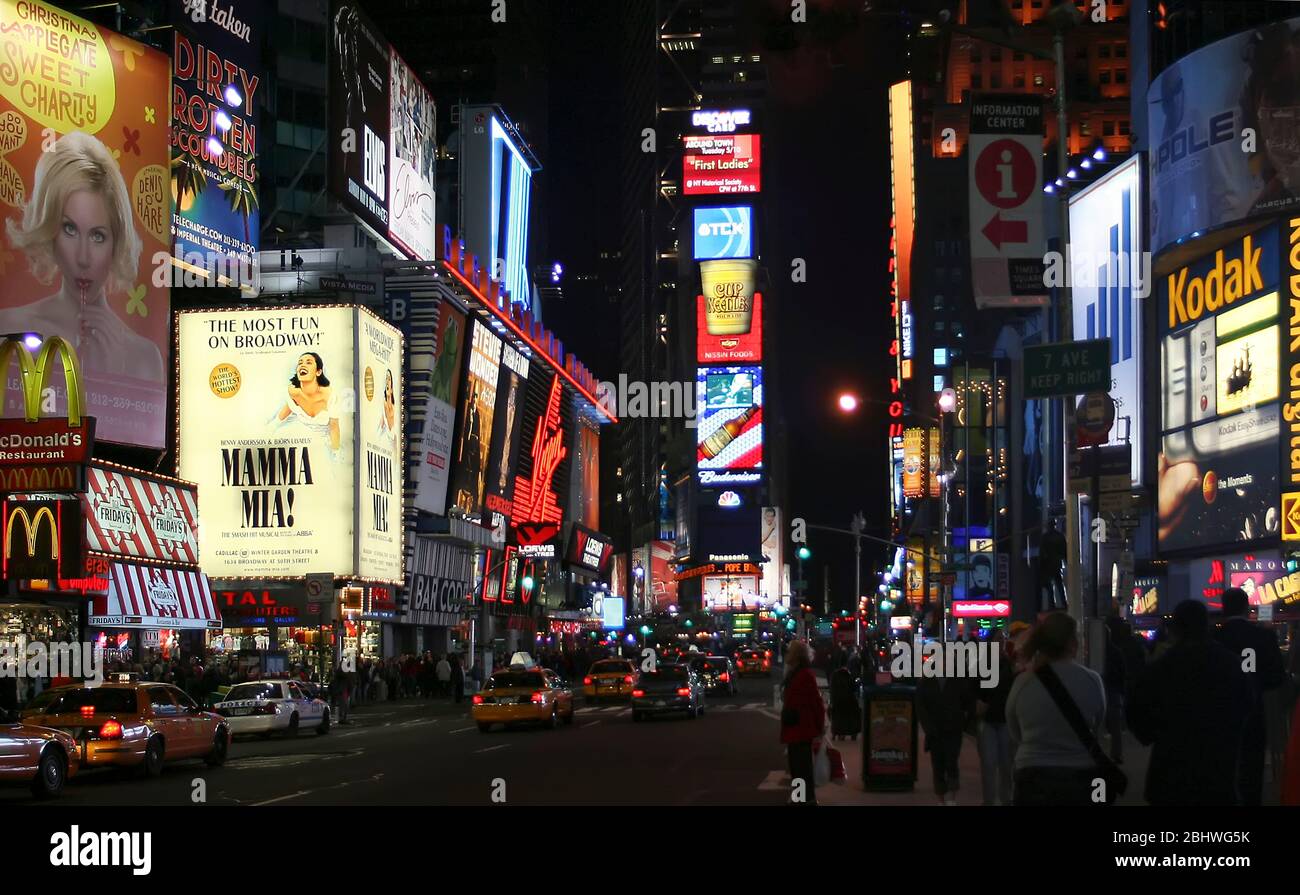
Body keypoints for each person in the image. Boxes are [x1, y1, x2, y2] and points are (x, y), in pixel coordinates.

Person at [0, 130, 163, 383]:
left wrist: (115, 375)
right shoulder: (8, 328)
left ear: (116, 241)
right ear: (50, 229)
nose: (84, 258)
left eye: (98, 236)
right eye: (70, 229)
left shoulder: (144, 358)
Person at [1129, 599, 1252, 805]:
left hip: (1170, 769)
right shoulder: (1231, 664)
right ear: (1207, 625)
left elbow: (1136, 710)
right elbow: (1246, 703)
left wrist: (1152, 734)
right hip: (1218, 768)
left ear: (1175, 629)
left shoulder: (1161, 667)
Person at [1005, 612, 1107, 806]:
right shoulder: (1092, 680)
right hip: (1081, 774)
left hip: (1033, 773)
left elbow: (1014, 729)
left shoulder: (1023, 683)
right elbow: (1097, 723)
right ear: (1072, 643)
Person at [1213, 587, 1286, 806]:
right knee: (1252, 770)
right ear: (1247, 608)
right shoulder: (1263, 636)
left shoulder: (1215, 638)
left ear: (1223, 609)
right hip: (1254, 712)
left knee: (1222, 770)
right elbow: (1276, 677)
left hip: (1219, 715)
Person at [915, 635, 974, 805]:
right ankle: (942, 798)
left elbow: (967, 700)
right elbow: (921, 704)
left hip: (953, 728)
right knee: (938, 765)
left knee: (952, 761)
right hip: (934, 730)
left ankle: (951, 797)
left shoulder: (958, 678)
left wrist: (963, 721)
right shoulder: (927, 679)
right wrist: (927, 726)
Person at [780, 639, 825, 805]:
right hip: (799, 726)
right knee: (799, 767)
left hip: (799, 726)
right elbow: (816, 703)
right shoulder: (799, 673)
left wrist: (819, 726)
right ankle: (803, 798)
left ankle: (804, 799)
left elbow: (815, 703)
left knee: (800, 768)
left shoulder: (801, 674)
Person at [975, 629, 1016, 805]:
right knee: (989, 765)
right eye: (999, 639)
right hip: (988, 721)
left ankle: (1006, 799)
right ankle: (990, 801)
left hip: (1005, 719)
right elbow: (971, 688)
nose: (1002, 642)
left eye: (1003, 639)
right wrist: (977, 703)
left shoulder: (1009, 663)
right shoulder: (981, 664)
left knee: (1007, 765)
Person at [828, 665, 860, 740]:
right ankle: (852, 732)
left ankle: (837, 732)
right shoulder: (849, 676)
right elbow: (853, 688)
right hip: (849, 701)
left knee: (837, 717)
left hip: (837, 702)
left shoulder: (834, 676)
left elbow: (832, 690)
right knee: (852, 715)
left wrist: (832, 701)